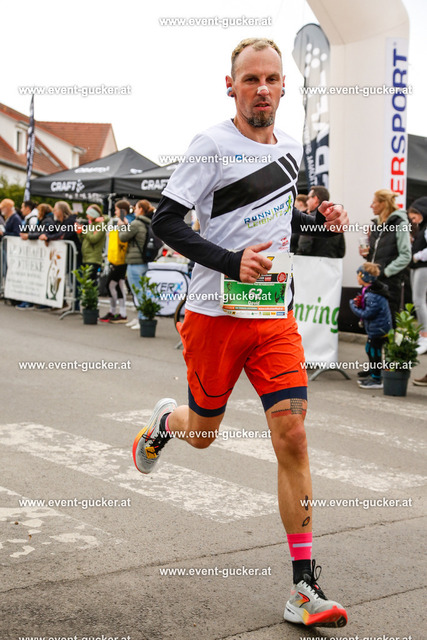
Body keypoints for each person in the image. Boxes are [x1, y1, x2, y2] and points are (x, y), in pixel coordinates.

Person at [132, 38, 349, 629]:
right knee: (203, 434)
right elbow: (167, 220)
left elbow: (280, 219)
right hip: (214, 314)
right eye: (250, 79)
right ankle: (165, 423)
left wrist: (318, 221)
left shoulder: (291, 148)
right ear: (230, 86)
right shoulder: (209, 144)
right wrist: (230, 263)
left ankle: (303, 588)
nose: (262, 89)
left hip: (272, 314)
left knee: (293, 436)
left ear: (284, 87)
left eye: (271, 79)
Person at [360, 189, 411, 325]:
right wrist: (367, 255)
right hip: (373, 281)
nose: (371, 206)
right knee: (372, 325)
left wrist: (385, 272)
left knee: (387, 325)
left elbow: (406, 255)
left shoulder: (400, 224)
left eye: (374, 202)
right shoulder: (376, 225)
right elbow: (379, 254)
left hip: (389, 284)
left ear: (383, 203)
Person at [349, 263, 392, 389]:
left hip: (379, 329)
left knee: (374, 352)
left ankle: (377, 378)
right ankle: (373, 371)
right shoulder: (369, 290)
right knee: (369, 349)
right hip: (375, 328)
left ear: (365, 277)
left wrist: (353, 306)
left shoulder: (373, 295)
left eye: (359, 276)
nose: (357, 278)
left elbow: (368, 314)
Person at [118, 200, 154, 329]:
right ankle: (141, 317)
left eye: (136, 208)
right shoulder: (147, 222)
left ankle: (143, 319)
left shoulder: (137, 223)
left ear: (141, 210)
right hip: (143, 261)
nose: (134, 210)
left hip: (135, 262)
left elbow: (123, 237)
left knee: (138, 292)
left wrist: (122, 226)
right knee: (141, 291)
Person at [99, 202, 129, 324]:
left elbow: (123, 239)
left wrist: (122, 225)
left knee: (110, 285)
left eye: (117, 210)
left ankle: (117, 312)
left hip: (120, 260)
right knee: (118, 285)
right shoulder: (117, 222)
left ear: (122, 210)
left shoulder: (124, 222)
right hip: (115, 258)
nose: (115, 212)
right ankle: (120, 313)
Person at [296, 186, 346, 258]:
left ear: (315, 199)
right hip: (332, 263)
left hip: (310, 263)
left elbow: (304, 247)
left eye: (308, 198)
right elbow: (341, 251)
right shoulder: (335, 220)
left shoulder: (311, 219)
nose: (306, 202)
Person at [407, 197, 427, 356]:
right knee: (418, 301)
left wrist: (416, 256)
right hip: (417, 266)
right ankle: (422, 334)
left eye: (414, 217)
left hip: (422, 266)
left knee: (419, 300)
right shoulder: (422, 228)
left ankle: (425, 336)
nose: (413, 221)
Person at [76, 204, 106, 283]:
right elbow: (84, 239)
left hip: (93, 258)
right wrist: (80, 232)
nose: (87, 216)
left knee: (90, 282)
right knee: (88, 281)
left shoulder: (101, 225)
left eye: (89, 213)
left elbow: (93, 239)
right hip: (87, 257)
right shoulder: (91, 225)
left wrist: (84, 231)